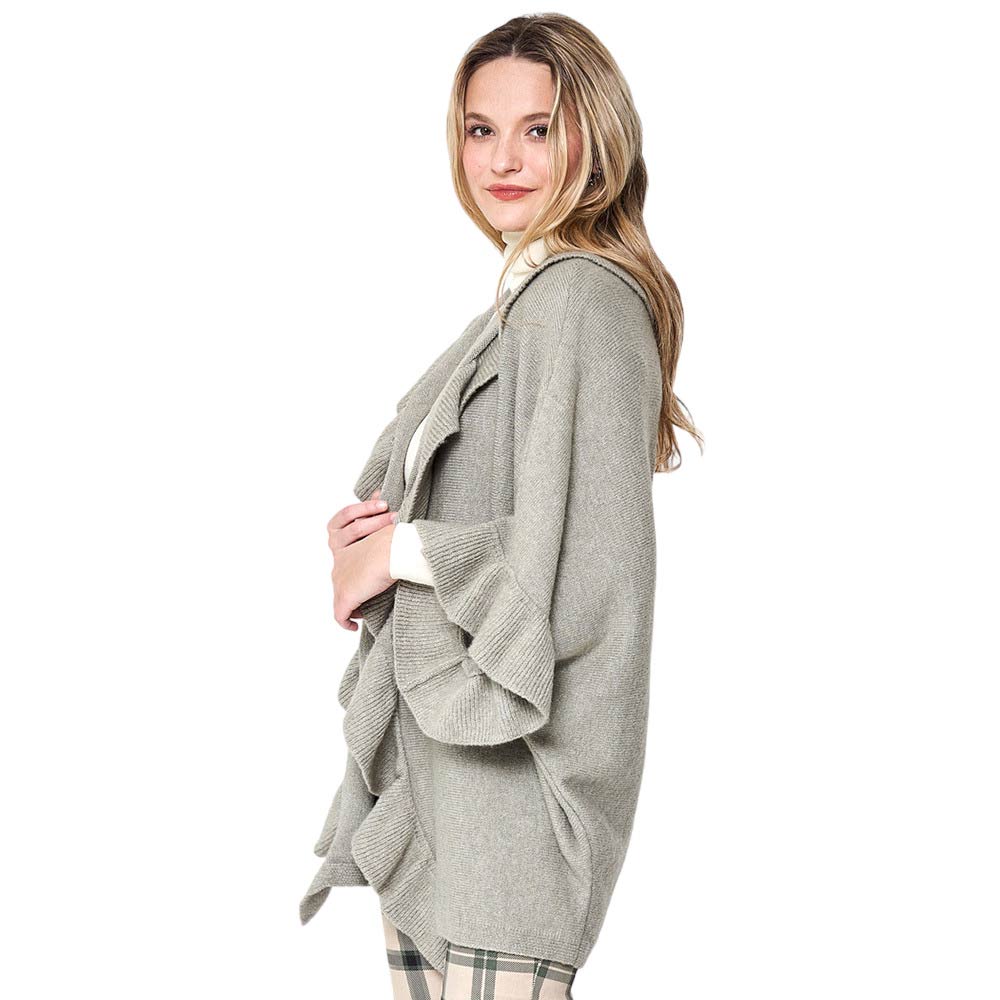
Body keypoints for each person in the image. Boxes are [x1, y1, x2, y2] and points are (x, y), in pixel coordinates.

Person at [300, 14, 702, 999]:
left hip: (514, 819)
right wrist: (377, 537)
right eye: (481, 130)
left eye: (538, 128)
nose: (503, 160)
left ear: (595, 140)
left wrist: (399, 552)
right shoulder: (522, 302)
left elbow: (591, 565)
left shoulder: (582, 301)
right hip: (454, 803)